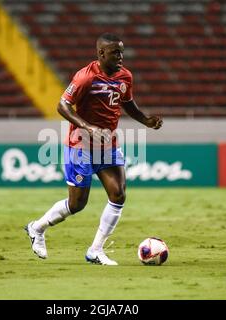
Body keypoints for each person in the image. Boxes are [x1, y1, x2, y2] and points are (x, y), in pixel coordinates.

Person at [24, 33, 163, 265]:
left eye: (122, 51)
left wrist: (145, 120)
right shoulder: (85, 77)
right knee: (77, 204)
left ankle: (95, 250)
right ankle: (37, 228)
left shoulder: (125, 76)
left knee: (118, 194)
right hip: (80, 145)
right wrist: (88, 127)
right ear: (101, 54)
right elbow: (62, 105)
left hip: (108, 144)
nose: (121, 56)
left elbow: (127, 102)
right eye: (115, 52)